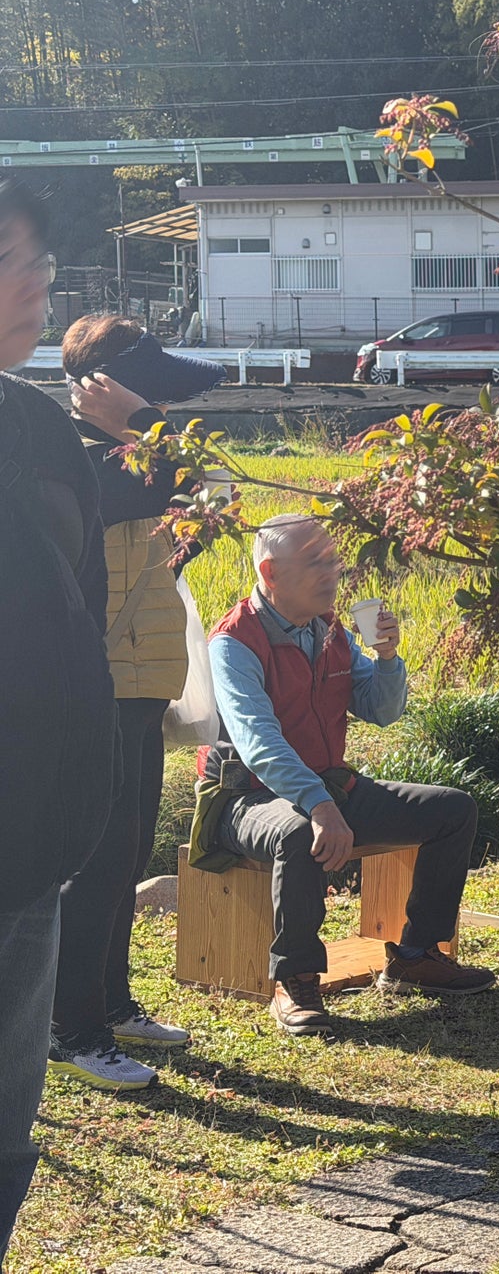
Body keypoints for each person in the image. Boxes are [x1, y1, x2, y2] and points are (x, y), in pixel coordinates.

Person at [204, 514, 496, 1036]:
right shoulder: (234, 641)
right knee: (298, 832)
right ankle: (295, 980)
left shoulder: (329, 629)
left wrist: (387, 658)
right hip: (246, 798)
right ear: (270, 573)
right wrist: (319, 805)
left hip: (326, 787)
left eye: (332, 560)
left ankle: (414, 957)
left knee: (453, 810)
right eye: (315, 562)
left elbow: (381, 710)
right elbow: (258, 745)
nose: (332, 572)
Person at [41, 315, 225, 1090]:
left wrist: (145, 426)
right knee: (99, 859)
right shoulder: (84, 462)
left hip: (144, 679)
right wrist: (140, 420)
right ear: (105, 387)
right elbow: (178, 477)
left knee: (129, 853)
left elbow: (207, 501)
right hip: (103, 683)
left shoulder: (136, 460)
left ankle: (112, 1004)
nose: (165, 409)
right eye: (150, 390)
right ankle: (72, 1030)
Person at [0, 178, 119, 1259]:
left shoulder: (41, 429)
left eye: (38, 259)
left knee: (4, 1130)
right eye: (9, 259)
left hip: (31, 845)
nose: (35, 281)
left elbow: (86, 610)